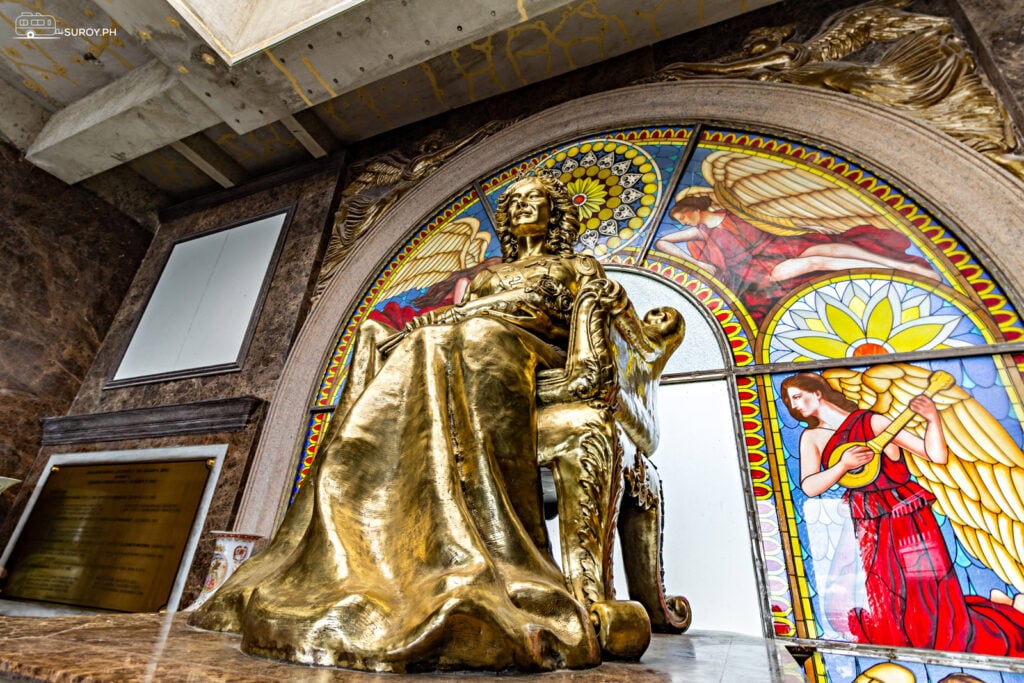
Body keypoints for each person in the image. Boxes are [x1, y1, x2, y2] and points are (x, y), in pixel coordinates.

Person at [188, 171, 605, 672]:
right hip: (465, 337)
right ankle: (379, 498)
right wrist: (449, 317)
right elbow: (459, 314)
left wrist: (468, 316)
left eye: (532, 199)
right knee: (402, 339)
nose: (520, 208)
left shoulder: (576, 265)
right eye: (512, 203)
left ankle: (482, 533)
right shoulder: (488, 274)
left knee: (466, 337)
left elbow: (553, 315)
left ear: (555, 211)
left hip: (527, 347)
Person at [781, 372, 1024, 656]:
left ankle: (937, 641)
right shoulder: (812, 437)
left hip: (907, 516)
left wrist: (933, 419)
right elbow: (809, 487)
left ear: (818, 392)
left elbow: (935, 455)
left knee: (924, 584)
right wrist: (842, 466)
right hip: (866, 521)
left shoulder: (874, 422)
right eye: (788, 401)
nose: (794, 405)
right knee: (877, 588)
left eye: (797, 396)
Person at [655, 193, 937, 321]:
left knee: (826, 247)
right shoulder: (701, 232)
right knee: (816, 261)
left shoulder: (733, 210)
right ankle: (900, 272)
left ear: (694, 207)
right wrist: (699, 264)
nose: (683, 222)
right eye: (679, 220)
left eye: (682, 215)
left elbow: (772, 217)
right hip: (756, 274)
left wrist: (807, 224)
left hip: (778, 245)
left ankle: (900, 264)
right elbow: (662, 241)